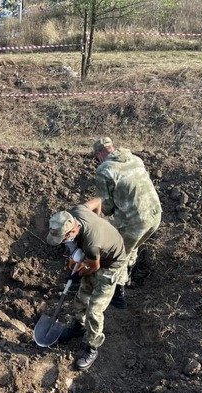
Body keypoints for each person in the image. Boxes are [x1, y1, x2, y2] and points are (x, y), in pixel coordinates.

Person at [46, 204, 127, 371]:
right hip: (97, 254)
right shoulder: (74, 213)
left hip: (111, 264)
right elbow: (97, 201)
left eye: (63, 238)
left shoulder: (91, 243)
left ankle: (92, 347)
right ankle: (78, 327)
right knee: (82, 297)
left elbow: (94, 267)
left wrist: (77, 274)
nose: (63, 241)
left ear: (72, 232)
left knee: (94, 309)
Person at [86, 137, 162, 309]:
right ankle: (127, 277)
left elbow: (107, 207)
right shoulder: (135, 159)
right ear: (112, 147)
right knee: (131, 247)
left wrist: (92, 218)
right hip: (155, 216)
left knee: (115, 256)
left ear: (99, 154)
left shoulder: (104, 169)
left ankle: (116, 295)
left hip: (135, 221)